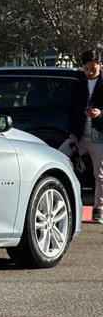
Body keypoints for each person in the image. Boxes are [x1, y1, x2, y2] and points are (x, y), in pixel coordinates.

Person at [60, 50, 103, 222]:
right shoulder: (78, 85)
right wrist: (71, 134)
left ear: (100, 64)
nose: (90, 71)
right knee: (58, 157)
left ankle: (98, 209)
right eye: (86, 69)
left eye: (93, 68)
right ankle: (67, 204)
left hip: (99, 136)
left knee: (99, 175)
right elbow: (70, 111)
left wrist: (100, 114)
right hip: (79, 135)